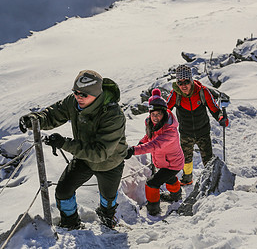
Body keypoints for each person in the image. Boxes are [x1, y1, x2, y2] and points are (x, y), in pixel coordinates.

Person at [19, 70, 127, 229]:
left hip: (109, 162)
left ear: (96, 94)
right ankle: (70, 223)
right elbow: (53, 114)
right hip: (83, 158)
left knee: (108, 197)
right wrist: (35, 119)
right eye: (75, 92)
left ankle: (107, 216)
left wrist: (64, 143)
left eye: (84, 94)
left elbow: (100, 153)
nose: (78, 97)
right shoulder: (74, 103)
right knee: (63, 192)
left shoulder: (113, 115)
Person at [125, 88, 184, 216]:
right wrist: (141, 143)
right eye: (153, 114)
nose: (155, 117)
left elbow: (154, 144)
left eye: (158, 114)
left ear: (164, 113)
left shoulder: (170, 131)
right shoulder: (151, 123)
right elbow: (149, 137)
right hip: (164, 162)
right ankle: (176, 196)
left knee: (152, 183)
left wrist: (134, 150)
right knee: (169, 179)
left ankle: (153, 209)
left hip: (173, 163)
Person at [166, 65, 229, 185]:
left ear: (191, 80)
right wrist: (156, 119)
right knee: (186, 159)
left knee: (208, 159)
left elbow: (214, 109)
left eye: (186, 81)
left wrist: (221, 118)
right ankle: (187, 179)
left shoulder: (202, 92)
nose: (183, 85)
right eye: (180, 82)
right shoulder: (175, 94)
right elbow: (165, 109)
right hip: (186, 132)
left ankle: (211, 179)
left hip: (203, 131)